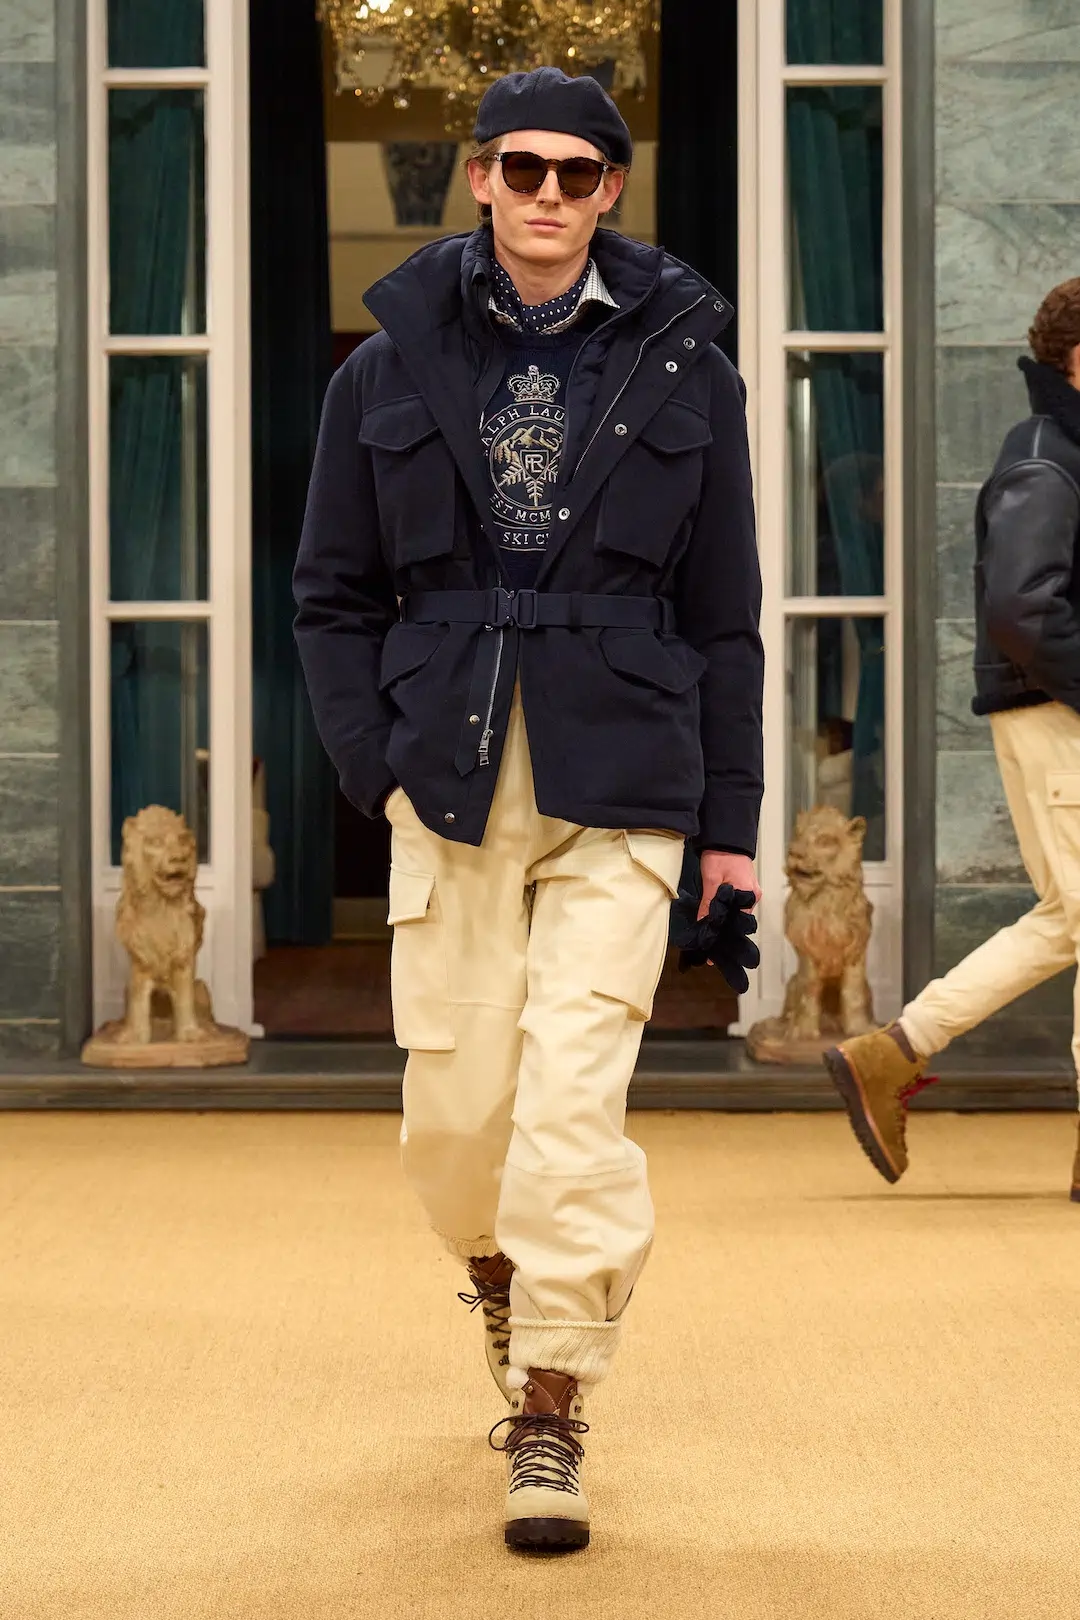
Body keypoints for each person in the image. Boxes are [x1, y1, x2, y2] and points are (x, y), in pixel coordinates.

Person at [293, 66, 763, 1553]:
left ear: (612, 190)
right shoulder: (384, 368)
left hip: (624, 770)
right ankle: (498, 1276)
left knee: (571, 1107)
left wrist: (733, 825)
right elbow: (330, 596)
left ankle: (553, 1401)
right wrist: (371, 763)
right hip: (446, 773)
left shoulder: (689, 366)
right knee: (457, 1122)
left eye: (579, 172)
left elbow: (726, 617)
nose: (549, 194)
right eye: (522, 168)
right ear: (480, 177)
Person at [825, 278, 1080, 1198]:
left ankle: (893, 1052)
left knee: (1068, 918)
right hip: (1057, 717)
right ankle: (893, 1051)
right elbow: (1021, 609)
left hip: (1053, 713)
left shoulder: (1063, 450)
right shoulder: (1047, 459)